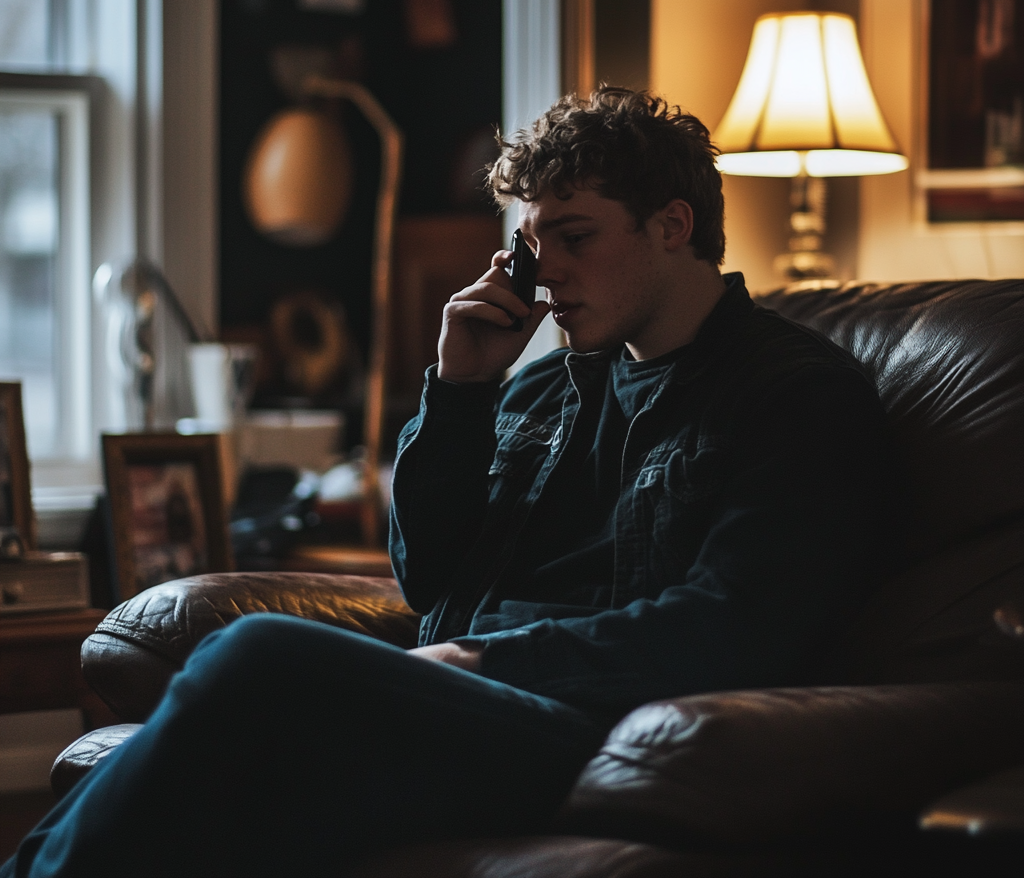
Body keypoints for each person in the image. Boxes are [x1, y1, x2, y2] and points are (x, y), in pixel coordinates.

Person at [2, 89, 894, 878]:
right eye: (535, 246)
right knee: (218, 762)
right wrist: (461, 390)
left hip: (588, 718)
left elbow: (733, 626)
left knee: (254, 656)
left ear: (673, 225)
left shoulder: (793, 394)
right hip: (456, 693)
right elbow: (430, 577)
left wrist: (484, 656)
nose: (549, 276)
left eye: (575, 239)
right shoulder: (545, 385)